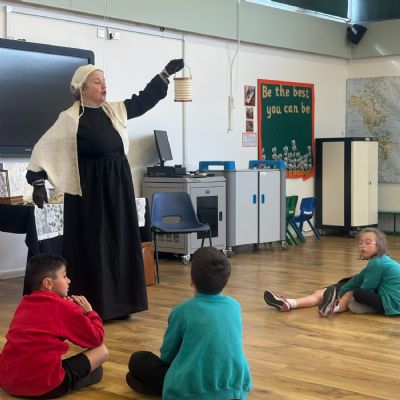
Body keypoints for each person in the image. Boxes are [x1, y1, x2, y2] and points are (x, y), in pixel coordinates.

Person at [25, 59, 184, 320]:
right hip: (89, 192)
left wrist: (165, 74)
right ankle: (94, 306)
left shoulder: (115, 110)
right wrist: (38, 181)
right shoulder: (69, 119)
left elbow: (144, 100)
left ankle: (122, 304)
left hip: (118, 187)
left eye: (104, 81)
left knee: (120, 241)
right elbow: (45, 148)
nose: (103, 86)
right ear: (82, 88)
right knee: (94, 244)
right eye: (97, 82)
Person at [125, 247, 252, 399]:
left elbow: (167, 356)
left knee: (138, 360)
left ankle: (166, 388)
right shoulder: (235, 306)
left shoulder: (182, 311)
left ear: (191, 279)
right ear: (225, 281)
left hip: (192, 387)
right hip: (236, 387)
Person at [0, 254, 109, 398]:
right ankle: (67, 384)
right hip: (43, 387)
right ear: (48, 283)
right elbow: (96, 338)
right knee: (101, 352)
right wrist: (89, 312)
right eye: (64, 276)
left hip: (7, 382)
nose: (69, 280)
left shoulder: (24, 303)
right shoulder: (65, 308)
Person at [264, 227, 400, 317]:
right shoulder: (379, 262)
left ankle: (329, 307)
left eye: (368, 242)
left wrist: (343, 295)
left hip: (393, 303)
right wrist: (339, 292)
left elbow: (365, 288)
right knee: (335, 289)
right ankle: (290, 303)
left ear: (379, 245)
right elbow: (357, 279)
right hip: (387, 296)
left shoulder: (377, 263)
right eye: (360, 243)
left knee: (353, 292)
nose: (362, 246)